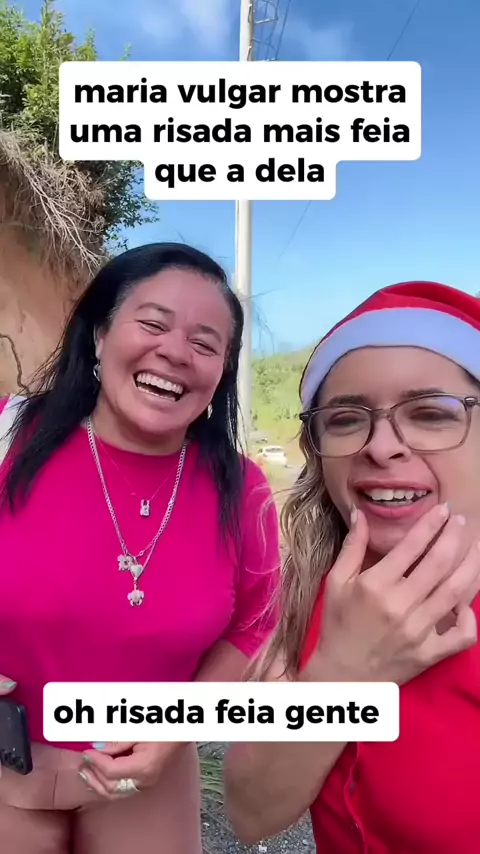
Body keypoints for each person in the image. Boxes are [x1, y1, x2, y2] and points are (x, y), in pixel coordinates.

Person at [0, 242, 280, 853]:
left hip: (147, 776)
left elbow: (255, 623)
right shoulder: (8, 438)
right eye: (153, 324)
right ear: (100, 335)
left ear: (221, 372)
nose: (176, 352)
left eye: (205, 343)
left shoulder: (242, 489)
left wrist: (177, 730)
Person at [224, 280, 480, 854]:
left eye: (430, 413)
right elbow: (250, 811)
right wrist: (342, 672)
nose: (380, 446)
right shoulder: (314, 587)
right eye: (344, 419)